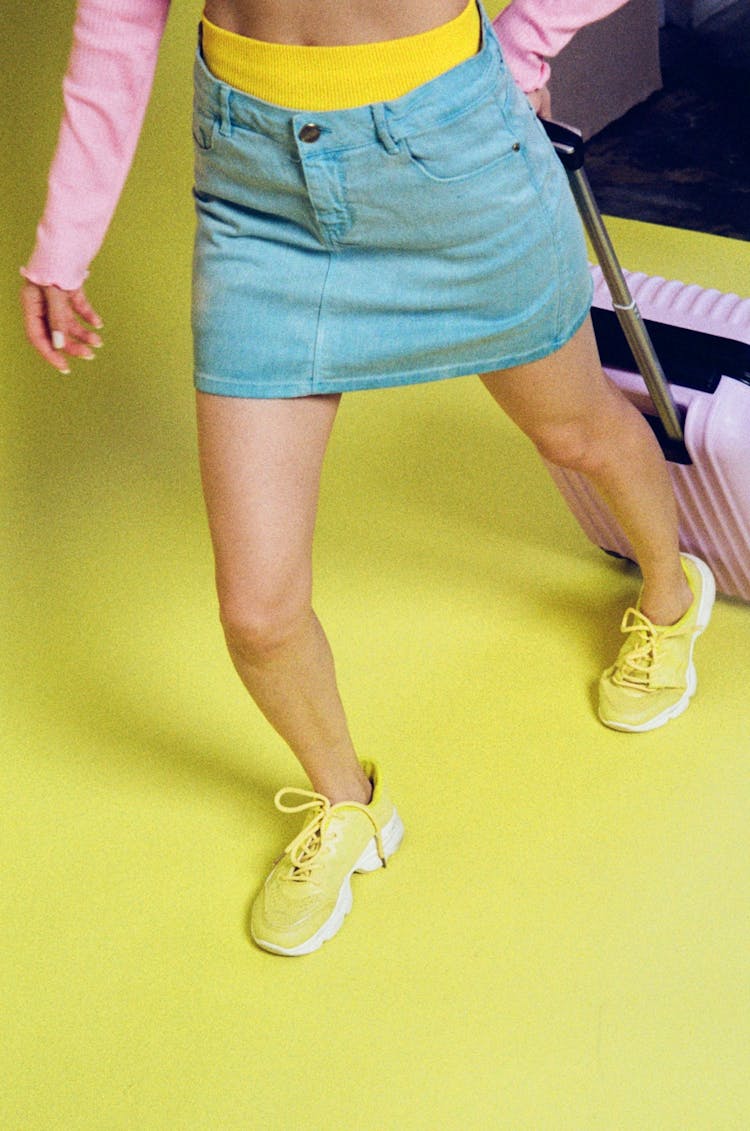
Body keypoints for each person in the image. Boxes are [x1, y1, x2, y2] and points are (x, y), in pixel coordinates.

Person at [21, 0, 715, 956]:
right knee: (257, 612)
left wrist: (526, 43)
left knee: (576, 433)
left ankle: (673, 598)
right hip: (259, 194)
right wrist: (65, 238)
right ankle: (346, 802)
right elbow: (118, 26)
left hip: (453, 158)